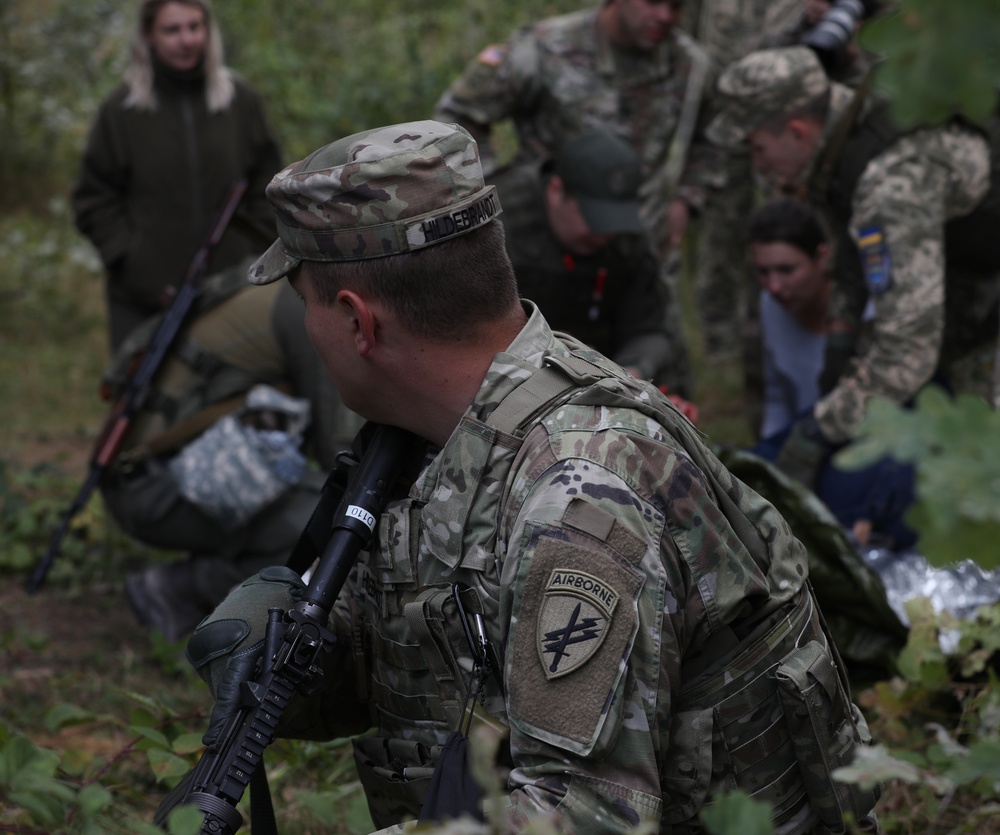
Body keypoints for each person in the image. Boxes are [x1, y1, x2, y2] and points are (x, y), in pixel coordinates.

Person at [185, 120, 879, 832]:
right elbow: (442, 658)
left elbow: (587, 815)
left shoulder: (577, 497)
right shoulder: (441, 426)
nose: (306, 327)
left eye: (304, 303)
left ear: (359, 322)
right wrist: (305, 652)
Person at [707, 45, 1000, 490]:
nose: (758, 164)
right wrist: (840, 346)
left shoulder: (891, 187)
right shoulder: (846, 141)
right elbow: (850, 259)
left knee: (978, 466)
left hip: (982, 294)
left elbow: (906, 353)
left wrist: (820, 429)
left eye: (757, 147)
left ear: (798, 131)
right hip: (975, 282)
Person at [434, 0, 725, 397]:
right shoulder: (543, 48)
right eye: (653, 2)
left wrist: (688, 199)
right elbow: (456, 122)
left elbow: (717, 136)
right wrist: (502, 193)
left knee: (660, 377)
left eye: (676, 6)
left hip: (639, 245)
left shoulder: (690, 66)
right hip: (546, 240)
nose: (664, 16)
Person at [102, 259, 360, 641]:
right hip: (154, 488)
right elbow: (340, 450)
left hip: (151, 474)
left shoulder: (274, 285)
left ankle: (208, 579)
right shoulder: (305, 311)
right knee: (337, 522)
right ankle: (180, 590)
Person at [71, 0, 282, 350]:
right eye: (172, 29)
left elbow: (268, 186)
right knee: (142, 400)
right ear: (148, 36)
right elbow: (93, 199)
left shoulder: (239, 101)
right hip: (143, 300)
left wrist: (255, 253)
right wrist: (132, 260)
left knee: (236, 396)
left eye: (194, 27)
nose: (186, 39)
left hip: (234, 295)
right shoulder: (121, 111)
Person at [748, 198, 915, 550]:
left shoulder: (870, 309)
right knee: (737, 477)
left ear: (822, 257)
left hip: (864, 438)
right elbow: (780, 393)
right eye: (764, 272)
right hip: (805, 434)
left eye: (787, 269)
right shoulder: (770, 306)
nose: (774, 286)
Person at [490, 129, 672, 383]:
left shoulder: (627, 239)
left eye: (615, 219)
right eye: (595, 217)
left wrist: (629, 375)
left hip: (606, 375)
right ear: (556, 192)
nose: (605, 233)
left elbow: (648, 330)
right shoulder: (498, 225)